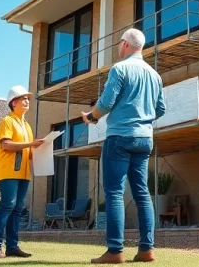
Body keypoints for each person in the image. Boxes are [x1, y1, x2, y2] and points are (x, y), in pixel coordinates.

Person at [81, 28, 166, 264]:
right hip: (144, 139)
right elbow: (160, 110)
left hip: (119, 137)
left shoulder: (120, 68)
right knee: (142, 194)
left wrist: (91, 116)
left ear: (125, 44)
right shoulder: (154, 75)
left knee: (115, 194)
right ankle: (146, 250)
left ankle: (115, 251)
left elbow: (106, 102)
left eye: (119, 43)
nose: (118, 47)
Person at [0, 85, 47, 259]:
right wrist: (31, 144)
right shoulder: (7, 121)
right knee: (8, 206)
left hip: (23, 174)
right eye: (24, 98)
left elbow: (26, 152)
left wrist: (43, 153)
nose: (27, 101)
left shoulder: (26, 125)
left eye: (28, 98)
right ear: (14, 102)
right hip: (7, 172)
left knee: (17, 209)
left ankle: (12, 247)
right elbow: (6, 145)